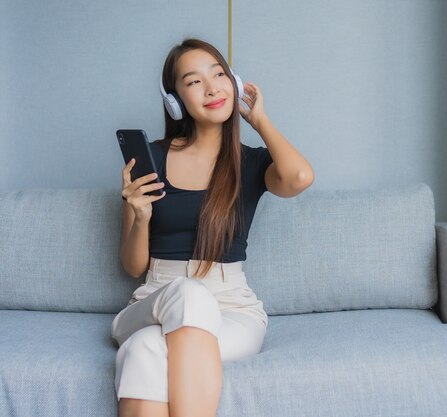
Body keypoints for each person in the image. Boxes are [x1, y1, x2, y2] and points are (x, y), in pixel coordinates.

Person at [110, 38, 314, 417]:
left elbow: (300, 177)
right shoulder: (151, 157)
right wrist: (140, 217)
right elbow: (133, 266)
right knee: (187, 294)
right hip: (155, 299)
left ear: (233, 83)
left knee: (144, 350)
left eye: (219, 74)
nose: (212, 87)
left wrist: (258, 120)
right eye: (193, 81)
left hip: (232, 308)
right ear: (175, 101)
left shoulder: (250, 162)